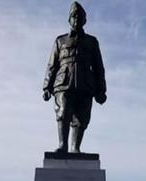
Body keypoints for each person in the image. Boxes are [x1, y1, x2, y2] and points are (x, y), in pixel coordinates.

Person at [42, 1, 107, 153]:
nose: (76, 18)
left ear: (85, 20)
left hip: (85, 84)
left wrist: (101, 90)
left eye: (80, 16)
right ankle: (62, 146)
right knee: (63, 111)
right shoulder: (60, 40)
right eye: (73, 16)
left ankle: (75, 148)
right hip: (63, 84)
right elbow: (52, 65)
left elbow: (99, 67)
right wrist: (46, 86)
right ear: (69, 20)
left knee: (82, 117)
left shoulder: (92, 42)